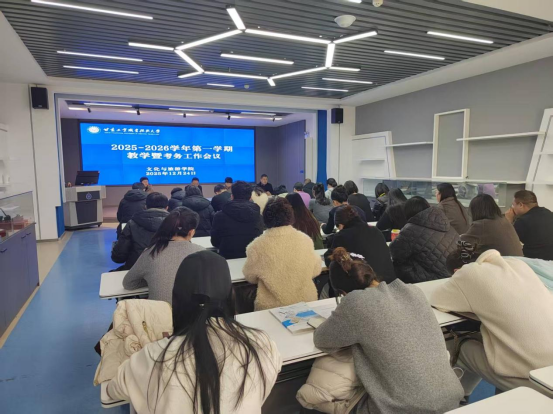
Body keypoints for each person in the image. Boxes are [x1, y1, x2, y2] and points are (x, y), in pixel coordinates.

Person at [107, 250, 282, 414]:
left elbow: (112, 390)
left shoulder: (153, 357)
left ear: (176, 298)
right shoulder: (261, 344)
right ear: (231, 295)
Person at [314, 248, 464, 414]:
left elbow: (321, 340)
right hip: (450, 398)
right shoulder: (412, 290)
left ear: (342, 293)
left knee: (314, 395)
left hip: (405, 408)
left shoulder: (355, 303)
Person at [431, 243, 553, 397]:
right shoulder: (518, 264)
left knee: (455, 341)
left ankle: (456, 397)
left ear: (456, 271)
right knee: (491, 338)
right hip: (547, 369)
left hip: (538, 379)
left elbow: (437, 300)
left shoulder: (467, 273)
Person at [243, 198, 323, 311]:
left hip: (272, 308)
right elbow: (315, 270)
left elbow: (250, 276)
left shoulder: (256, 246)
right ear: (291, 216)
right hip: (306, 302)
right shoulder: (305, 240)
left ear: (265, 217)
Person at [122, 207, 204, 304]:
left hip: (159, 312)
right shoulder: (202, 253)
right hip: (194, 312)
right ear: (191, 232)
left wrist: (153, 278)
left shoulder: (152, 252)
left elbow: (128, 284)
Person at [390, 196, 459, 283]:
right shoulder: (446, 224)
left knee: (394, 265)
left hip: (431, 279)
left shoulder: (410, 229)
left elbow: (395, 254)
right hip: (453, 274)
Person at [325, 206, 395, 283]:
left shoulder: (342, 236)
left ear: (340, 224)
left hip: (367, 284)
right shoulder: (375, 230)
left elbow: (330, 260)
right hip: (389, 281)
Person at [112, 192, 170, 271]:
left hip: (136, 268)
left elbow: (118, 257)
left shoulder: (132, 223)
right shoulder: (176, 224)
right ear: (167, 207)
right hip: (168, 268)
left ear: (145, 207)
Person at [211, 181, 264, 260]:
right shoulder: (259, 217)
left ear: (232, 196)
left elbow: (215, 242)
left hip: (227, 260)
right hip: (252, 260)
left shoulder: (219, 216)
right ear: (250, 198)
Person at [506, 190, 553, 260]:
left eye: (513, 205)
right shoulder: (549, 213)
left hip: (534, 260)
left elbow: (509, 241)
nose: (512, 208)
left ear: (521, 205)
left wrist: (508, 221)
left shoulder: (522, 221)